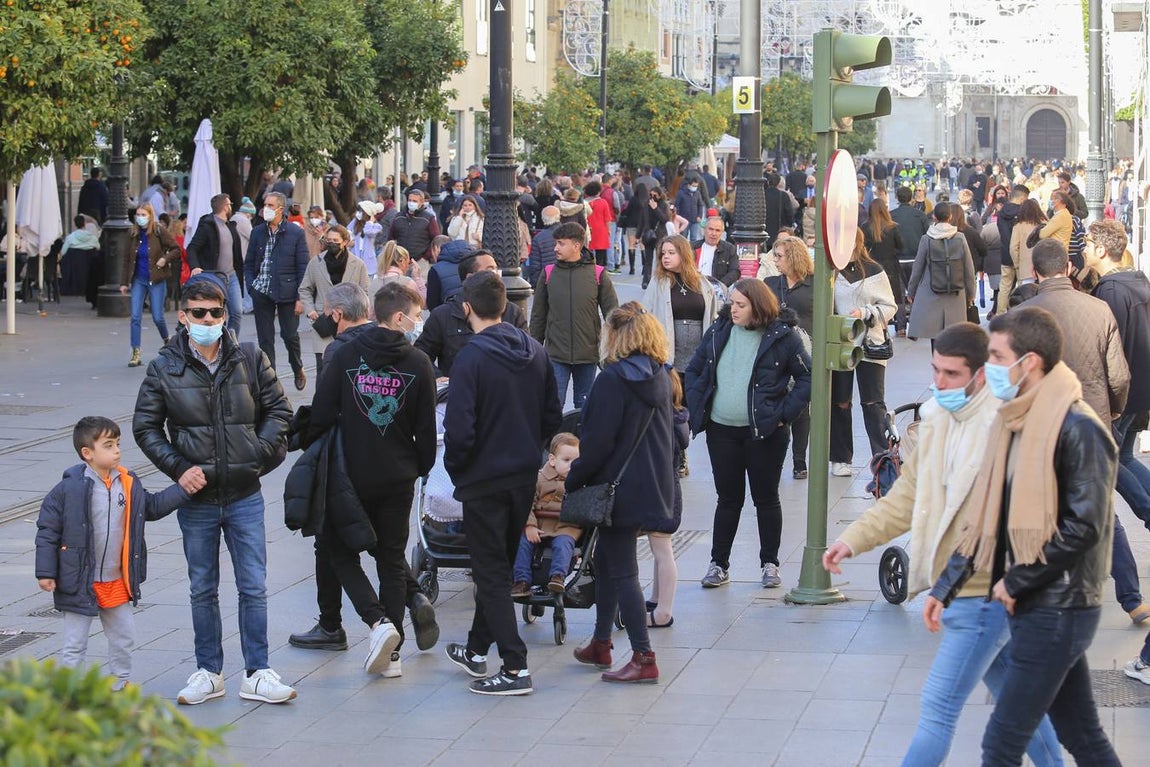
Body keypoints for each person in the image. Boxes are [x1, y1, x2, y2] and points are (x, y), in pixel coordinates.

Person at [822, 324, 1065, 767]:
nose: (938, 383)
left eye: (951, 374)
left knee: (937, 710)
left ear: (980, 374)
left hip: (983, 591)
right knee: (1017, 701)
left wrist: (948, 588)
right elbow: (906, 497)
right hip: (958, 590)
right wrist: (851, 540)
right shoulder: (935, 418)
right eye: (935, 370)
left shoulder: (1003, 426)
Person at [927, 306, 1121, 765]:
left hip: (1061, 607)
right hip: (1039, 605)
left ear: (1028, 362)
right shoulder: (1016, 421)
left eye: (996, 356)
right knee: (1084, 737)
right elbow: (989, 517)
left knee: (1001, 743)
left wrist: (1017, 580)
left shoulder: (1078, 428)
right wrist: (948, 583)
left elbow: (1085, 525)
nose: (990, 367)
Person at [132, 273, 296, 705]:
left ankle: (258, 671)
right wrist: (179, 468)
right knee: (202, 587)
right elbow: (145, 427)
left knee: (253, 585)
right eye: (199, 313)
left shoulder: (248, 356)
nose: (209, 319)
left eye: (216, 312)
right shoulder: (165, 366)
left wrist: (257, 453)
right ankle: (208, 670)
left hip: (244, 493)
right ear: (183, 317)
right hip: (197, 498)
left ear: (226, 314)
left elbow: (280, 409)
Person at [305, 281, 438, 679]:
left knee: (337, 549)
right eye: (415, 314)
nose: (418, 322)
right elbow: (427, 431)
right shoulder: (418, 363)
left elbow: (322, 413)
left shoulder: (344, 354)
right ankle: (392, 654)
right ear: (398, 317)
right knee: (392, 561)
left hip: (351, 474)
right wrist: (417, 467)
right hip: (398, 475)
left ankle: (378, 623)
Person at [443, 271, 562, 696]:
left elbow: (459, 431)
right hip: (521, 477)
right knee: (497, 564)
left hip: (483, 479)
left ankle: (515, 667)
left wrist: (460, 470)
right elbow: (553, 415)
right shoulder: (534, 350)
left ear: (467, 308)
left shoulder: (470, 359)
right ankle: (477, 650)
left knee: (490, 572)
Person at [35, 416, 204, 691]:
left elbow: (151, 507)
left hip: (116, 579)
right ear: (87, 453)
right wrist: (46, 572)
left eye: (117, 444)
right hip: (79, 580)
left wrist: (183, 489)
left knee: (123, 636)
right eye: (109, 445)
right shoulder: (68, 490)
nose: (117, 451)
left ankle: (120, 683)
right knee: (75, 643)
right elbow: (47, 531)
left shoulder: (127, 482)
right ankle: (68, 692)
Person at [570, 302, 675, 682]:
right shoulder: (659, 375)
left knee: (623, 571)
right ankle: (601, 642)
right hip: (652, 482)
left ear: (616, 336)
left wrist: (574, 479)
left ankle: (644, 657)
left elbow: (595, 443)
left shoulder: (612, 380)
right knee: (609, 562)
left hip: (618, 487)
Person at [686, 279, 812, 588]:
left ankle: (770, 563)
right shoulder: (719, 330)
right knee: (728, 499)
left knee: (766, 499)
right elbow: (694, 369)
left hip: (765, 433)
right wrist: (696, 401)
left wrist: (783, 415)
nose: (733, 309)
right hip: (721, 430)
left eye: (741, 305)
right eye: (732, 303)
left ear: (758, 306)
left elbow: (808, 378)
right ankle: (718, 564)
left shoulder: (784, 337)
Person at [830, 230, 898, 477]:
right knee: (840, 401)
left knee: (873, 402)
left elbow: (890, 306)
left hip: (871, 343)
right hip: (840, 344)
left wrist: (865, 312)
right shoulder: (829, 271)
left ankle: (881, 456)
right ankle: (840, 458)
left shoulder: (873, 270)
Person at [529, 222, 619, 408]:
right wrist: (534, 350)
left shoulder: (598, 274)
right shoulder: (548, 273)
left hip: (588, 354)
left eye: (561, 243)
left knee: (584, 407)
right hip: (556, 355)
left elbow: (613, 315)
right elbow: (538, 316)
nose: (555, 248)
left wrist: (612, 350)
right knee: (553, 405)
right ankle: (553, 438)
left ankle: (581, 438)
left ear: (576, 246)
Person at [415, 250, 528, 379]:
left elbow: (526, 353)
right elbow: (421, 354)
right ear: (470, 278)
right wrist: (438, 377)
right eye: (490, 270)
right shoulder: (443, 315)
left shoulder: (512, 311)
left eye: (497, 269)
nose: (496, 275)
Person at [244, 191, 310, 391]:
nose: (266, 209)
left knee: (290, 335)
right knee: (265, 338)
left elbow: (303, 267)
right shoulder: (257, 232)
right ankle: (270, 379)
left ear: (281, 209)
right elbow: (248, 264)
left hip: (288, 292)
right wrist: (251, 286)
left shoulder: (295, 233)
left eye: (271, 205)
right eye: (265, 205)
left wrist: (300, 297)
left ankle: (297, 367)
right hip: (262, 290)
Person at [765, 238, 814, 479]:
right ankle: (777, 458)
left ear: (793, 256)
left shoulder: (814, 284)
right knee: (776, 400)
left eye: (779, 256)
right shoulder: (771, 283)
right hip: (776, 350)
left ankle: (799, 460)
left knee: (802, 406)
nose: (775, 260)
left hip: (806, 350)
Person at [510, 433, 582, 597]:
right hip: (539, 525)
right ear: (552, 460)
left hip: (565, 526)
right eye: (566, 460)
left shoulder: (579, 482)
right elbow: (527, 503)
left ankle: (557, 577)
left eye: (576, 461)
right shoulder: (539, 478)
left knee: (564, 544)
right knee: (522, 543)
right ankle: (522, 580)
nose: (571, 466)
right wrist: (529, 525)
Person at [298, 224, 371, 378]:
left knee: (350, 368)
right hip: (323, 321)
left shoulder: (357, 265)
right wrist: (310, 310)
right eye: (328, 240)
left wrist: (361, 316)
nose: (331, 243)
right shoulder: (315, 263)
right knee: (323, 369)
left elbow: (365, 292)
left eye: (335, 240)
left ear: (345, 241)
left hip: (350, 322)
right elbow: (305, 289)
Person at [643, 234, 718, 372]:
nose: (665, 256)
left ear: (684, 254)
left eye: (671, 253)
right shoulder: (657, 282)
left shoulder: (702, 283)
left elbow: (713, 318)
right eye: (663, 253)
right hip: (667, 356)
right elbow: (645, 317)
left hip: (698, 358)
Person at [906, 203, 977, 345]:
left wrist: (911, 292)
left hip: (931, 291)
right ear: (950, 217)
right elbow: (969, 267)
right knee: (954, 337)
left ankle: (937, 363)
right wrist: (971, 293)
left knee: (935, 335)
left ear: (934, 217)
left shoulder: (926, 239)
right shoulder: (960, 237)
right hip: (956, 292)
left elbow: (917, 268)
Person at [119, 203, 179, 368]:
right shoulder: (132, 234)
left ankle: (167, 341)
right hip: (138, 279)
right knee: (135, 316)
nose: (140, 218)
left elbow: (176, 249)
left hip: (156, 279)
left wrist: (164, 259)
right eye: (138, 215)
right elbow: (126, 260)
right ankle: (136, 352)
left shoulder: (159, 231)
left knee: (157, 316)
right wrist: (124, 283)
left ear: (150, 216)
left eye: (143, 214)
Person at [185, 193, 244, 334]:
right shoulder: (207, 225)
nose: (231, 207)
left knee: (237, 312)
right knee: (217, 313)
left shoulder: (231, 226)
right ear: (225, 207)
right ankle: (218, 341)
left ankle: (231, 341)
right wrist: (195, 266)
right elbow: (192, 248)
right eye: (229, 204)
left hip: (232, 276)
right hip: (214, 277)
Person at [864, 197, 906, 335]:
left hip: (872, 266)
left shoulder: (865, 227)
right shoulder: (893, 227)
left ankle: (880, 325)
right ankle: (900, 327)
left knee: (875, 297)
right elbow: (901, 247)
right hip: (890, 265)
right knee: (896, 296)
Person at [387, 188, 441, 265]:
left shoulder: (428, 218)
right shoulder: (398, 217)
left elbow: (436, 240)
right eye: (410, 200)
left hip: (420, 261)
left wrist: (425, 257)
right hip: (400, 260)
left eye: (415, 201)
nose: (411, 203)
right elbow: (391, 238)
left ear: (422, 202)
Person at [1007, 198, 1046, 298]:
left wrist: (1017, 264)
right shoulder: (1045, 223)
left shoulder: (1018, 226)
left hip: (1025, 268)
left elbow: (1013, 248)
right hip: (1044, 267)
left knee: (1027, 298)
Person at [690, 216, 740, 287]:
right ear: (704, 230)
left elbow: (735, 271)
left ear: (722, 232)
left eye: (717, 230)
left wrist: (719, 285)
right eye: (710, 229)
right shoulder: (692, 247)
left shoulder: (729, 249)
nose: (713, 233)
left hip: (718, 289)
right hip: (694, 286)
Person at [583, 180, 613, 267]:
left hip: (589, 230)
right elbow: (607, 219)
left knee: (588, 253)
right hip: (601, 231)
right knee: (601, 255)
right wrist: (609, 230)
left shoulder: (584, 203)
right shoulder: (603, 202)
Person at [351, 200, 384, 277]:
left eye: (361, 211)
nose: (358, 213)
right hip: (355, 257)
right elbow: (347, 231)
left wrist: (370, 222)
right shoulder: (355, 223)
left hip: (368, 262)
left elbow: (368, 232)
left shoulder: (377, 226)